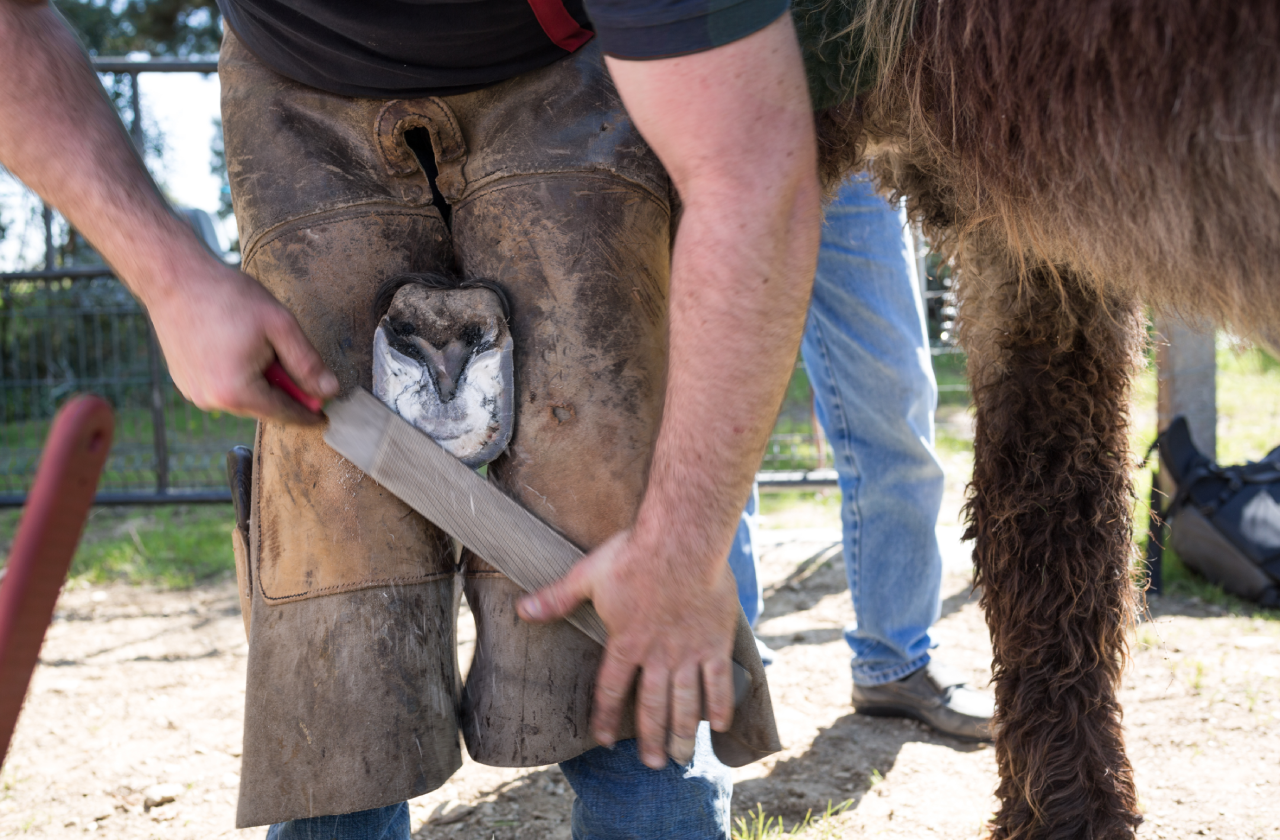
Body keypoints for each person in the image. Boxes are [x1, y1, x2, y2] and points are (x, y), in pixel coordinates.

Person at [0, 1, 821, 837]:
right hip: (297, 85)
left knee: (614, 575)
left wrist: (680, 547)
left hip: (562, 69)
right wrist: (166, 272)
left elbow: (751, 173)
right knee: (334, 620)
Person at [728, 173, 993, 741]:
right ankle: (730, 672)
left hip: (856, 163)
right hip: (720, 135)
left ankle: (897, 661)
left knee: (896, 401)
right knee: (720, 419)